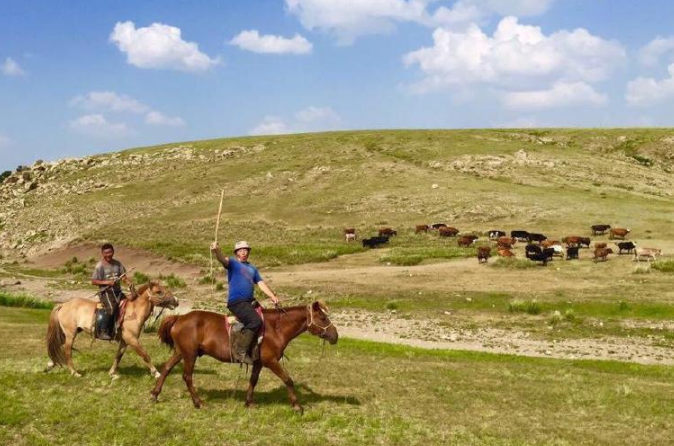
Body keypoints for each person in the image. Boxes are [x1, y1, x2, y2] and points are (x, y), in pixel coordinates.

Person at [210, 240, 279, 364]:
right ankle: (240, 351)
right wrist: (217, 251)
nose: (244, 252)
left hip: (250, 302)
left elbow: (261, 284)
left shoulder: (252, 268)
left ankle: (256, 350)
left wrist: (272, 296)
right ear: (236, 253)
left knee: (265, 319)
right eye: (241, 250)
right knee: (255, 321)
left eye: (246, 250)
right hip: (237, 302)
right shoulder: (233, 263)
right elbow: (223, 260)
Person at [91, 243, 133, 340]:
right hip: (105, 292)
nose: (108, 254)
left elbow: (123, 277)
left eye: (110, 252)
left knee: (129, 305)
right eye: (106, 253)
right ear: (102, 253)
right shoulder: (100, 266)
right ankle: (103, 331)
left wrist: (128, 282)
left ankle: (122, 327)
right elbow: (93, 281)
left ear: (113, 252)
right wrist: (107, 282)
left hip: (117, 291)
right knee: (111, 308)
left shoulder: (118, 264)